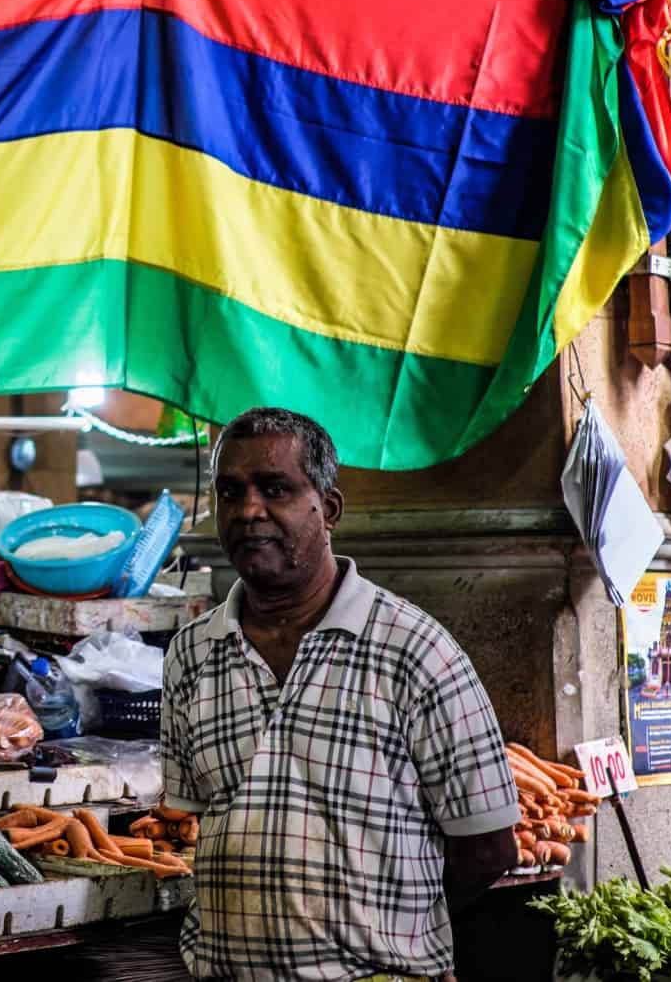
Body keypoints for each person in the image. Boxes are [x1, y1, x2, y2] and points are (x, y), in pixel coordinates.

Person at [161, 407, 517, 982]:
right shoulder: (190, 655)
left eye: (275, 489)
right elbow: (194, 821)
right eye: (230, 492)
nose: (249, 510)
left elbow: (490, 847)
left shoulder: (415, 649)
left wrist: (391, 930)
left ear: (328, 509)